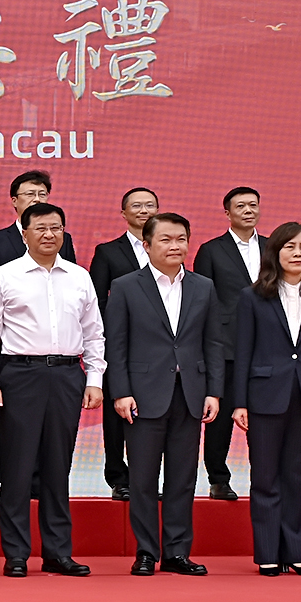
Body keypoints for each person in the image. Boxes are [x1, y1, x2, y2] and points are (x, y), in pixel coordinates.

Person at [0, 201, 103, 578]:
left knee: (57, 467)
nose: (49, 235)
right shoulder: (4, 276)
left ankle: (57, 552)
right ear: (25, 234)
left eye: (56, 228)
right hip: (20, 376)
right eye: (41, 228)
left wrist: (94, 379)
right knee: (16, 468)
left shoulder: (79, 277)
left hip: (67, 376)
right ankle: (16, 553)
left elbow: (94, 333)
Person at [105, 211, 220, 577]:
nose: (175, 246)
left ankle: (177, 552)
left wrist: (214, 391)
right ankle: (145, 551)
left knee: (182, 478)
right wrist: (121, 392)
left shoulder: (203, 286)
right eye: (166, 239)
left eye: (181, 239)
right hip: (142, 396)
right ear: (147, 245)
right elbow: (115, 345)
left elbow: (213, 343)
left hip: (190, 394)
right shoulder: (126, 286)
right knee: (142, 479)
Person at [230, 221, 301, 577]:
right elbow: (242, 352)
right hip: (264, 397)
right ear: (275, 253)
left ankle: (296, 554)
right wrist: (239, 402)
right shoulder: (252, 296)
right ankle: (267, 554)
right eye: (290, 247)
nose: (298, 253)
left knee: (296, 475)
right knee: (265, 476)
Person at [191, 186, 266, 502]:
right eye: (241, 206)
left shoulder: (274, 247)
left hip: (267, 345)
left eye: (253, 205)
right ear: (227, 212)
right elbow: (201, 300)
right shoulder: (211, 250)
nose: (248, 210)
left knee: (264, 415)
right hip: (226, 345)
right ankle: (218, 479)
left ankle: (264, 477)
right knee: (220, 418)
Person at [87, 186, 161, 500]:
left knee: (155, 413)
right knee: (117, 414)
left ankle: (148, 478)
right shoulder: (108, 252)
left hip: (160, 347)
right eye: (137, 205)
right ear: (124, 213)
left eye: (150, 205)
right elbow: (95, 300)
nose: (144, 210)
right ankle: (119, 478)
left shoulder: (167, 249)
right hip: (119, 345)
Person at [0, 170, 75, 306]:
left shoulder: (62, 238)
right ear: (14, 201)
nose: (37, 199)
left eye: (42, 194)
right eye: (30, 194)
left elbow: (71, 282)